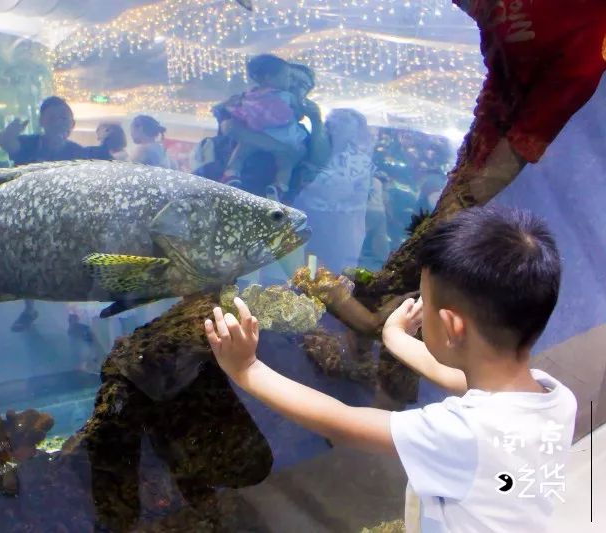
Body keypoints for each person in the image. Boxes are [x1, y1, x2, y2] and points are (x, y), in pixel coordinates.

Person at [204, 205, 575, 532]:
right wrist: (395, 337)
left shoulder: (460, 435)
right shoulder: (555, 397)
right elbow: (460, 380)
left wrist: (248, 369)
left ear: (452, 327)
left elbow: (341, 422)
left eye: (424, 300)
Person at [0, 96, 84, 332]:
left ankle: (75, 316)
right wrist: (13, 129)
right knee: (26, 263)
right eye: (53, 117)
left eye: (64, 117)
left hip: (65, 218)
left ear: (72, 123)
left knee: (72, 265)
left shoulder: (78, 152)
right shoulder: (29, 144)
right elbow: (4, 141)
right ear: (42, 121)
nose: (59, 122)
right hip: (28, 217)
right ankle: (29, 308)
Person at [294, 108, 374, 273]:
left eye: (344, 121)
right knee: (299, 267)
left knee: (334, 269)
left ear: (355, 132)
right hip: (304, 217)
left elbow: (354, 195)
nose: (335, 123)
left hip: (338, 224)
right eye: (333, 118)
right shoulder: (308, 147)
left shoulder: (360, 161)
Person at [219, 54, 308, 193]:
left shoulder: (249, 96)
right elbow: (229, 127)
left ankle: (231, 174)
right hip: (280, 139)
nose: (293, 84)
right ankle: (279, 185)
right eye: (289, 77)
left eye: (303, 85)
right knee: (285, 162)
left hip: (255, 132)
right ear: (269, 78)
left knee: (241, 151)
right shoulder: (285, 97)